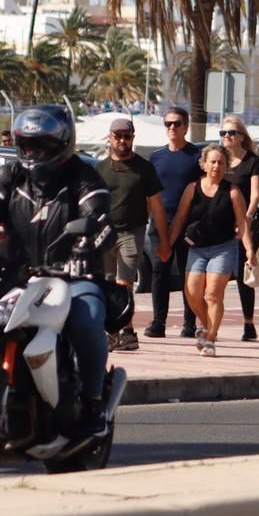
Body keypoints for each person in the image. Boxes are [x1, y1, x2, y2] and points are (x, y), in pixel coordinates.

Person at [0, 105, 115, 444]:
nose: (34, 153)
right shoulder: (11, 175)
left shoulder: (82, 176)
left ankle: (93, 403)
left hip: (71, 277)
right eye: (28, 145)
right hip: (15, 275)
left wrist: (85, 249)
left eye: (42, 146)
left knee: (86, 319)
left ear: (62, 145)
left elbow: (101, 221)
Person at [170, 144, 253, 356]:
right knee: (191, 292)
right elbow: (180, 217)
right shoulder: (192, 188)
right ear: (204, 164)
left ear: (226, 166)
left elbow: (242, 223)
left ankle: (210, 339)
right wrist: (167, 243)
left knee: (213, 294)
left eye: (221, 162)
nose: (216, 166)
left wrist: (249, 251)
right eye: (213, 162)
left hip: (223, 248)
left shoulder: (233, 192)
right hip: (197, 248)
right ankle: (207, 324)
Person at [96, 116, 170, 352]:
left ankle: (125, 332)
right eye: (118, 136)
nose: (122, 140)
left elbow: (157, 206)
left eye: (126, 136)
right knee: (107, 283)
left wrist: (164, 240)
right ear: (110, 138)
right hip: (104, 233)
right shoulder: (100, 169)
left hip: (132, 231)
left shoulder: (144, 169)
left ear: (132, 138)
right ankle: (115, 331)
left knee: (125, 282)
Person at [145, 106, 203, 338]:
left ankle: (189, 324)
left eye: (176, 123)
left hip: (189, 225)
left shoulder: (197, 156)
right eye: (168, 123)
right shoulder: (156, 157)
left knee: (188, 273)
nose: (172, 127)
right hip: (160, 224)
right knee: (160, 272)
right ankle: (158, 323)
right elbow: (149, 193)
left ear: (186, 127)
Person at [218, 115, 259, 341]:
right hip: (222, 222)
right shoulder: (219, 160)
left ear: (242, 136)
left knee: (243, 274)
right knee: (217, 275)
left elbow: (255, 194)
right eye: (223, 133)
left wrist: (247, 217)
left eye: (231, 133)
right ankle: (210, 322)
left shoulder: (252, 161)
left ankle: (249, 323)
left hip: (245, 224)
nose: (226, 136)